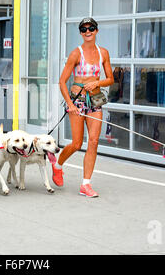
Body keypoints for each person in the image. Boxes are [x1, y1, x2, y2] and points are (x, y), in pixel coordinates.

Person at [52, 17, 114, 198]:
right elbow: (62, 82)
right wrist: (70, 104)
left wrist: (97, 82)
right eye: (84, 29)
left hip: (95, 100)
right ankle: (57, 165)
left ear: (96, 31)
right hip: (77, 101)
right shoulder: (75, 54)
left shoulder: (103, 53)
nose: (88, 32)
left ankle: (85, 184)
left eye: (91, 28)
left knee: (93, 142)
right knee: (77, 143)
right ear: (80, 32)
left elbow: (110, 79)